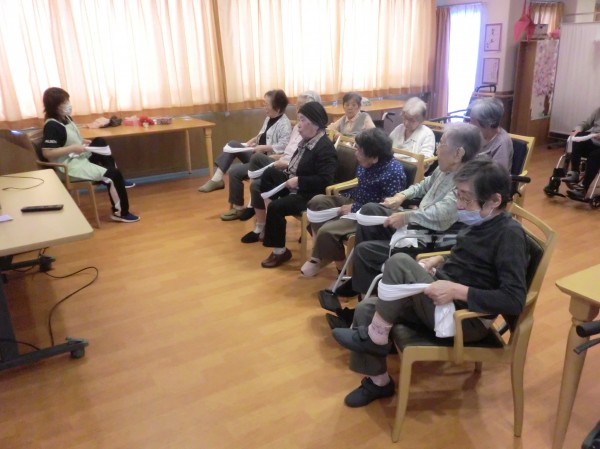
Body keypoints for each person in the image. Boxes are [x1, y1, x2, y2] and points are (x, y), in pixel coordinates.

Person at [332, 158, 528, 408]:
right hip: (441, 299)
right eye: (458, 195)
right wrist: (439, 259)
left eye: (466, 198)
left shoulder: (509, 235)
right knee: (366, 308)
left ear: (494, 200)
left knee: (399, 263)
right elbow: (471, 256)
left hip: (465, 319)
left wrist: (457, 290)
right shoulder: (480, 222)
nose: (459, 205)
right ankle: (379, 382)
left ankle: (375, 337)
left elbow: (514, 299)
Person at [321, 123, 482, 325]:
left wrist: (406, 217)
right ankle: (361, 285)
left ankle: (364, 310)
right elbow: (424, 185)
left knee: (365, 251)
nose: (437, 149)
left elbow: (440, 216)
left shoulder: (464, 183)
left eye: (441, 144)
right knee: (370, 210)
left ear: (458, 153)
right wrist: (401, 196)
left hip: (428, 238)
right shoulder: (444, 170)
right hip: (416, 224)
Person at [300, 128, 406, 277]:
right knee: (316, 203)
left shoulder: (393, 173)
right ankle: (324, 255)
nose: (356, 154)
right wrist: (347, 202)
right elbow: (360, 185)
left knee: (326, 231)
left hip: (367, 215)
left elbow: (386, 208)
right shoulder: (367, 162)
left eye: (360, 151)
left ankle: (342, 270)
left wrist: (354, 208)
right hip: (355, 199)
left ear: (374, 157)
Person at [41, 87, 140, 223]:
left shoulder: (66, 118)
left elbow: (66, 139)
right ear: (53, 106)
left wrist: (82, 142)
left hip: (79, 158)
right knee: (114, 175)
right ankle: (121, 213)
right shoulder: (51, 126)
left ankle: (117, 180)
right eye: (63, 103)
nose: (68, 105)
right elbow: (47, 153)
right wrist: (73, 148)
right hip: (69, 167)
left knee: (100, 141)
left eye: (67, 101)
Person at [235, 91, 321, 242]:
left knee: (257, 167)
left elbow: (306, 166)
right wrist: (277, 158)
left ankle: (259, 219)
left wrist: (284, 162)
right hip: (283, 163)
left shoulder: (314, 137)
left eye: (302, 107)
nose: (298, 110)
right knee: (256, 179)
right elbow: (288, 151)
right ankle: (260, 226)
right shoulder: (298, 127)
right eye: (297, 106)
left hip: (293, 174)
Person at [259, 102, 337, 268]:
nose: (298, 125)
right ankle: (272, 221)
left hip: (311, 194)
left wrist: (299, 181)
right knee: (269, 174)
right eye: (298, 119)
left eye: (302, 120)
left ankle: (280, 251)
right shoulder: (307, 140)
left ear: (315, 123)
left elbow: (325, 180)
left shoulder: (325, 148)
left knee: (276, 208)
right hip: (295, 184)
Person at [198, 89, 292, 204]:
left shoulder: (285, 124)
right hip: (256, 154)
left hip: (266, 162)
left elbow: (284, 146)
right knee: (232, 144)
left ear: (277, 108)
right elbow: (263, 134)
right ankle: (217, 178)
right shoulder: (269, 118)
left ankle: (237, 207)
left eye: (266, 105)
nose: (264, 107)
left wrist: (263, 148)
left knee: (234, 172)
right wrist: (253, 140)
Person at [563, 107, 600, 201]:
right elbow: (586, 123)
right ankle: (575, 172)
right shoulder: (598, 111)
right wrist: (578, 129)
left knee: (595, 156)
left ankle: (583, 188)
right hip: (594, 142)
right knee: (577, 139)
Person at [468, 97, 513, 171]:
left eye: (472, 120)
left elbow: (498, 173)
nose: (470, 123)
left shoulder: (501, 143)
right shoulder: (477, 134)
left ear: (486, 123)